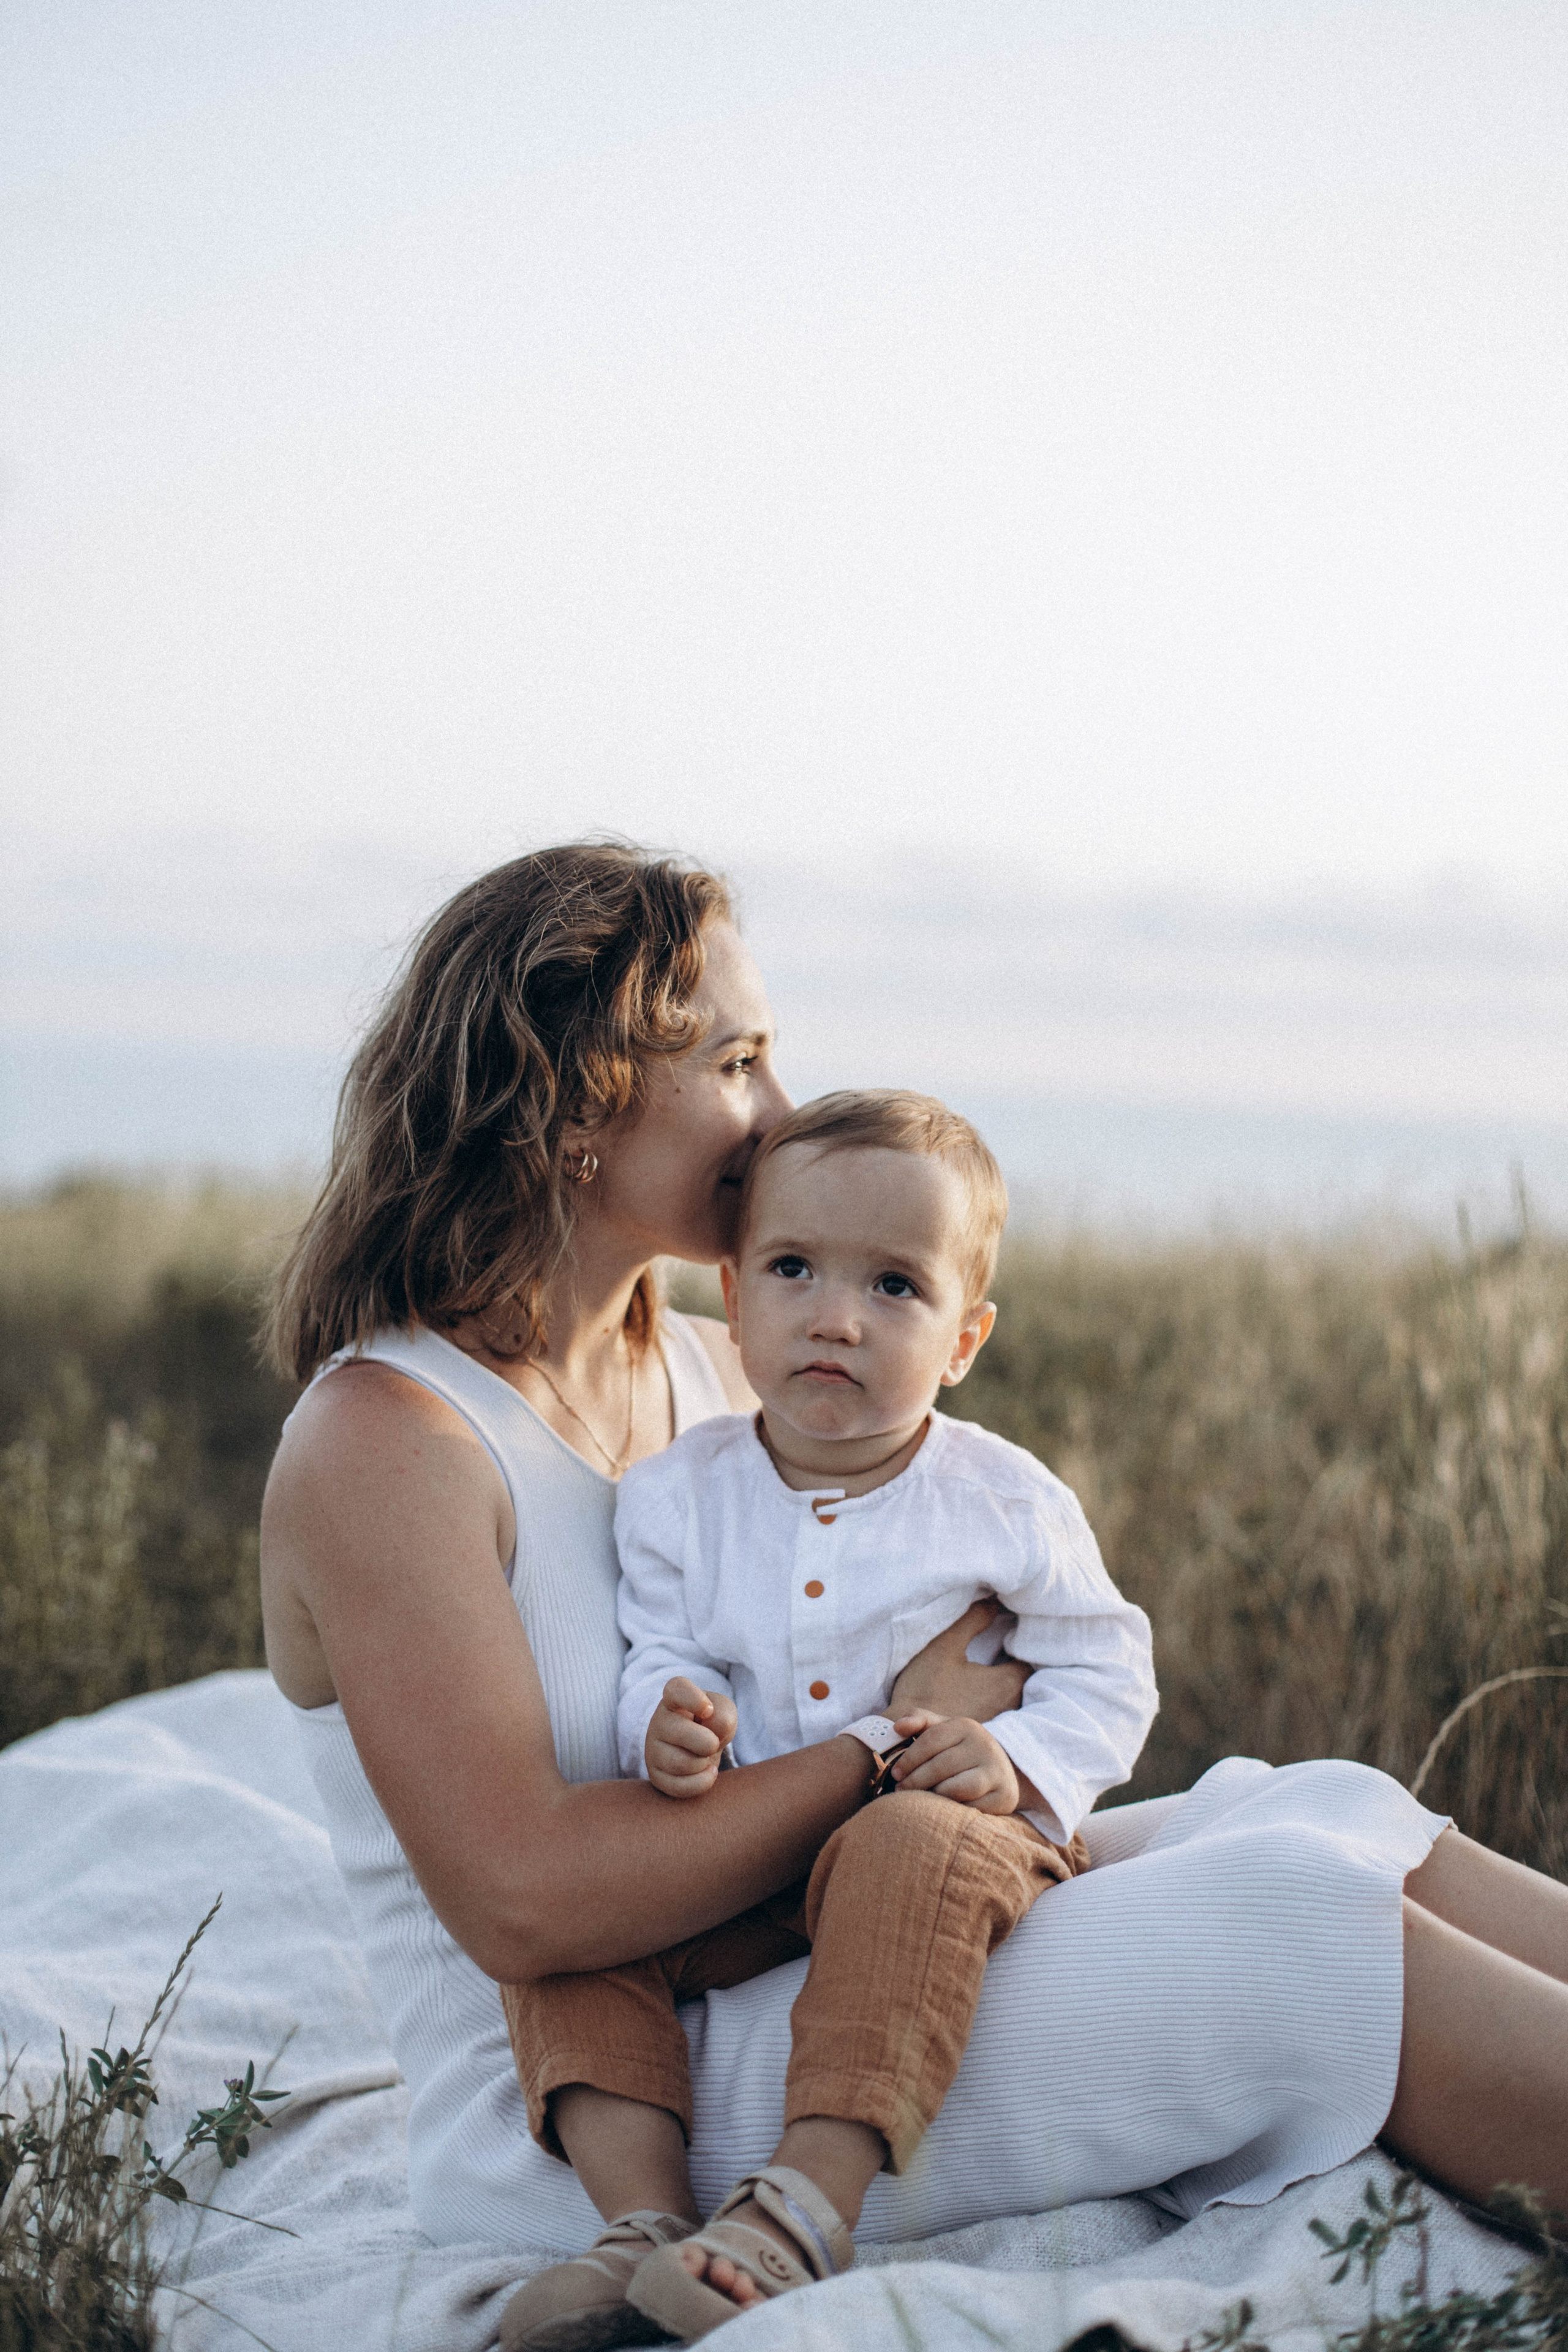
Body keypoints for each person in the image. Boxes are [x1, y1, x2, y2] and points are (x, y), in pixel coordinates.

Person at [260, 845, 1568, 2337]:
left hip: (830, 1949)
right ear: (574, 1106)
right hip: (604, 2102)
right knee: (1294, 1921)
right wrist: (879, 1747)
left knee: (1311, 1806)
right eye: (734, 1062)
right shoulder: (391, 1441)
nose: (777, 1110)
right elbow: (525, 1902)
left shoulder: (715, 1369)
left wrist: (947, 1752)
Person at [499, 1089, 1158, 2345]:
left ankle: (802, 2203)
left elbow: (1108, 1665)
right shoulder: (676, 1496)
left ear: (963, 1341)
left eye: (895, 1287)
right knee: (574, 1921)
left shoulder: (1000, 1499)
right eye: (793, 1269)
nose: (835, 1317)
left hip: (945, 1841)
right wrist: (665, 1724)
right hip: (749, 1863)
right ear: (733, 1297)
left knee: (905, 1842)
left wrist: (1014, 1758)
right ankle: (639, 2226)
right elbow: (662, 1649)